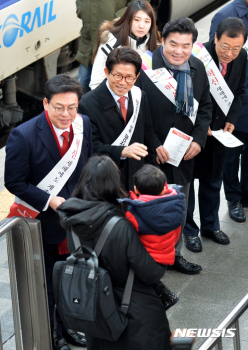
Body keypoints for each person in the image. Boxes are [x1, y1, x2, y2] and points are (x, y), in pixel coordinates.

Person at [5, 75, 93, 350]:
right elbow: (14, 182)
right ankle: (52, 336)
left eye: (72, 107)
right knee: (48, 287)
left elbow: (86, 166)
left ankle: (69, 328)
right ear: (45, 103)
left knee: (72, 281)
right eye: (59, 107)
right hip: (42, 224)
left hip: (75, 222)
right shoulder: (24, 134)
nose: (66, 114)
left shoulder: (84, 125)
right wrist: (50, 200)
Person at [57, 155, 172, 350]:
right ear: (112, 183)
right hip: (135, 317)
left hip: (97, 315)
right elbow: (151, 273)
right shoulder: (121, 225)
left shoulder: (72, 223)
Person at [136, 18, 212, 274]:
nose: (179, 51)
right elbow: (137, 114)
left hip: (184, 154)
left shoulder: (197, 68)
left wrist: (199, 140)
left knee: (178, 205)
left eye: (186, 45)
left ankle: (174, 255)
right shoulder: (144, 70)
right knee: (150, 208)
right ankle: (145, 260)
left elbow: (205, 107)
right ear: (162, 41)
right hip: (152, 154)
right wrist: (154, 143)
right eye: (173, 44)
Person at [184, 18, 247, 252]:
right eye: (225, 47)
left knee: (213, 180)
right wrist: (201, 126)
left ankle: (211, 226)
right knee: (188, 183)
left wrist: (231, 118)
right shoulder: (197, 57)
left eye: (236, 48)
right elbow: (185, 96)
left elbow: (238, 90)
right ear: (215, 39)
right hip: (195, 132)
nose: (229, 53)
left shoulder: (242, 57)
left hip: (220, 130)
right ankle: (189, 231)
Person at [79, 47, 156, 191]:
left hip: (137, 179)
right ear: (106, 72)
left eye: (129, 77)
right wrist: (122, 151)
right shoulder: (87, 104)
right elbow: (90, 147)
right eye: (118, 76)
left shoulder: (140, 96)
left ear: (137, 76)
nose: (123, 82)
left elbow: (148, 138)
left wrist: (152, 173)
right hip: (106, 183)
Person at [122, 164, 185, 310]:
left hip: (147, 258)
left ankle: (163, 296)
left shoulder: (135, 211)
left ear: (136, 189)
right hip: (166, 256)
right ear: (164, 188)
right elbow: (177, 233)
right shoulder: (177, 202)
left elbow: (129, 238)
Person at [210, 0, 248, 223]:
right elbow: (215, 63)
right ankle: (233, 198)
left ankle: (246, 196)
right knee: (232, 155)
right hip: (238, 100)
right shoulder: (227, 14)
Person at [75, 0, 149, 93]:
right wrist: (81, 9)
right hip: (89, 46)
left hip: (116, 39)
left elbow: (138, 4)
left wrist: (119, 16)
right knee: (82, 87)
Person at [89, 0, 159, 90]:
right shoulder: (112, 41)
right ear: (128, 19)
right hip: (115, 95)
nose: (142, 26)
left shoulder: (155, 44)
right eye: (137, 20)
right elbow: (96, 82)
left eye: (147, 21)